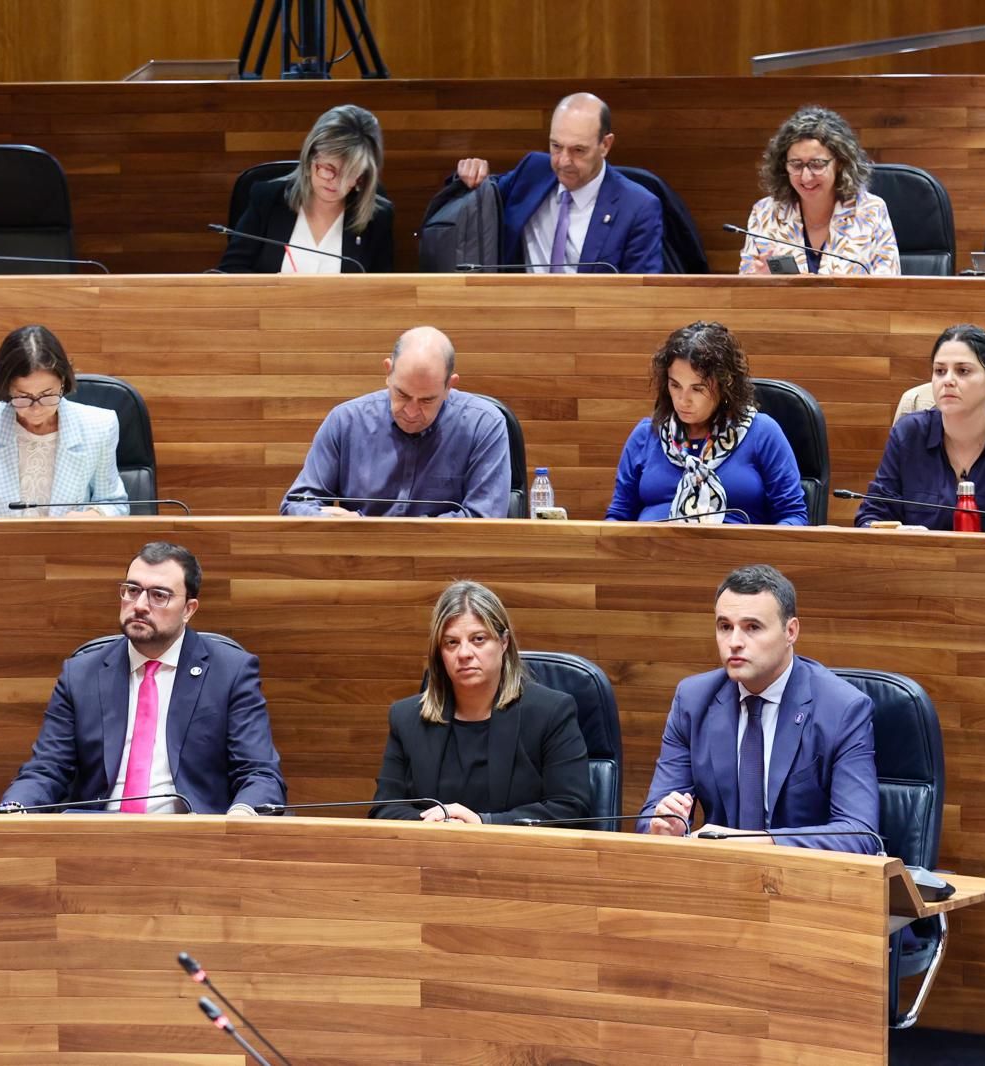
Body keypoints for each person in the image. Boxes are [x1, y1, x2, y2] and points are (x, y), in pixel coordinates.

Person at [0, 542, 286, 814]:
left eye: (159, 595)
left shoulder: (230, 672)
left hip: (193, 837)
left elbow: (259, 773)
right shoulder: (81, 674)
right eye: (132, 590)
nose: (139, 605)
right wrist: (15, 807)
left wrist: (240, 817)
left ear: (189, 609)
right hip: (99, 836)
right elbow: (47, 768)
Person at [638, 564, 880, 852]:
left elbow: (860, 834)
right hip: (717, 879)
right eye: (725, 627)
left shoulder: (842, 709)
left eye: (752, 627)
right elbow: (648, 817)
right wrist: (663, 825)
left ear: (791, 631)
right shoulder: (693, 699)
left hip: (804, 883)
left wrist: (756, 843)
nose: (735, 642)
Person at [371, 581, 590, 824]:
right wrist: (439, 825)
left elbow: (570, 809)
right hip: (432, 856)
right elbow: (384, 809)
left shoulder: (550, 713)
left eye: (478, 639)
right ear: (439, 652)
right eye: (451, 642)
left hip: (516, 857)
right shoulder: (407, 718)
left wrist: (483, 823)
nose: (464, 653)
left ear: (503, 642)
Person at [279, 326, 510, 518]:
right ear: (388, 372)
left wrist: (368, 527)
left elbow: (483, 519)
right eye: (402, 394)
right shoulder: (345, 421)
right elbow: (296, 504)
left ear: (450, 386)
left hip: (449, 568)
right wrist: (327, 518)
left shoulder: (484, 425)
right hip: (359, 565)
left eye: (427, 400)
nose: (411, 411)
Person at [606, 321, 807, 525]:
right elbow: (618, 515)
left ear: (725, 383)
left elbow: (793, 515)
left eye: (698, 388)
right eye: (675, 385)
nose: (683, 400)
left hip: (740, 555)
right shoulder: (647, 434)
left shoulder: (762, 432)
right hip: (652, 553)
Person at [854, 324, 985, 534]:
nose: (948, 381)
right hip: (917, 561)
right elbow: (872, 515)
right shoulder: (908, 435)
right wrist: (901, 536)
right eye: (940, 371)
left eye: (962, 371)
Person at [453, 92, 663, 274]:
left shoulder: (638, 207)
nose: (563, 161)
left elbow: (642, 298)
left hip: (591, 315)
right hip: (521, 312)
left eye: (578, 150)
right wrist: (472, 171)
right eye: (556, 146)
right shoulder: (532, 172)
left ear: (605, 145)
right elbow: (484, 196)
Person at [0, 324, 129, 519]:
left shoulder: (99, 426)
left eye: (47, 395)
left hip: (71, 544)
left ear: (62, 382)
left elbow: (114, 503)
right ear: (6, 388)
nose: (36, 408)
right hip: (4, 544)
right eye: (23, 396)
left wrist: (92, 516)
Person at [218, 104, 395, 274]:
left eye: (349, 173)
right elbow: (230, 271)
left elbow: (382, 288)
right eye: (328, 169)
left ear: (363, 176)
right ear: (310, 158)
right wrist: (274, 288)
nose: (336, 182)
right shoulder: (267, 199)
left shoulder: (377, 217)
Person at [738, 105, 899, 276]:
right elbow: (744, 292)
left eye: (817, 164)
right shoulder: (765, 213)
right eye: (796, 164)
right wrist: (760, 282)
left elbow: (889, 291)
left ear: (840, 163)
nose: (806, 177)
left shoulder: (870, 211)